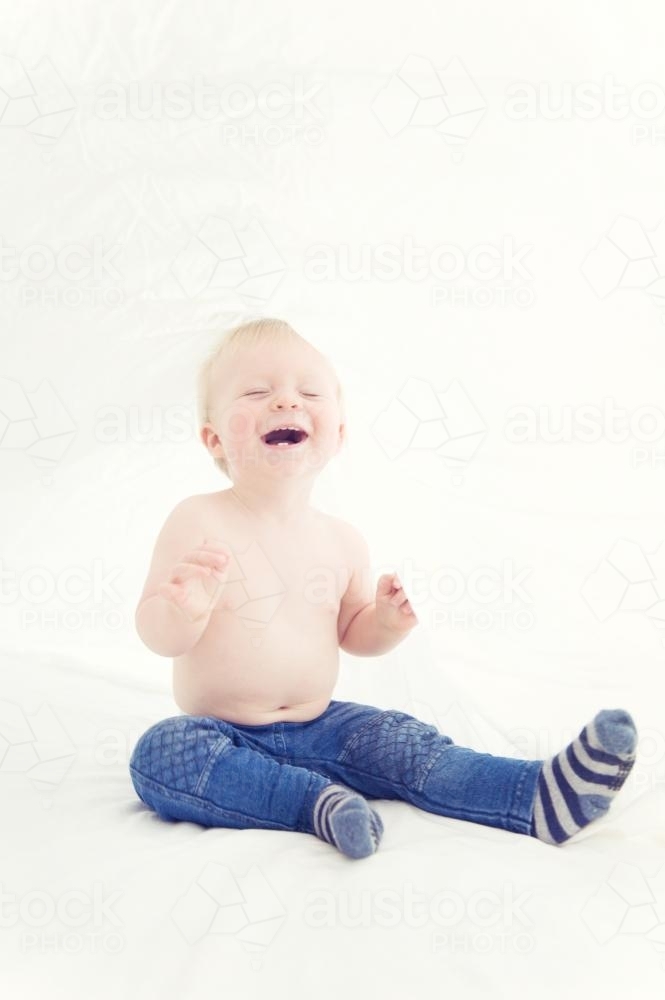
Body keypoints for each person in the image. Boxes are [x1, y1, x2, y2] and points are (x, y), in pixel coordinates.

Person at [129, 318, 637, 859]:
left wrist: (387, 623)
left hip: (320, 724)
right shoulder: (197, 520)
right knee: (161, 753)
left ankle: (531, 794)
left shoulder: (341, 540)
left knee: (402, 740)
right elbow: (157, 633)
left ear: (339, 434)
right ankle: (315, 804)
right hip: (222, 734)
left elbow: (353, 633)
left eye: (308, 392)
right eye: (257, 392)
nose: (285, 402)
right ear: (214, 438)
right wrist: (182, 609)